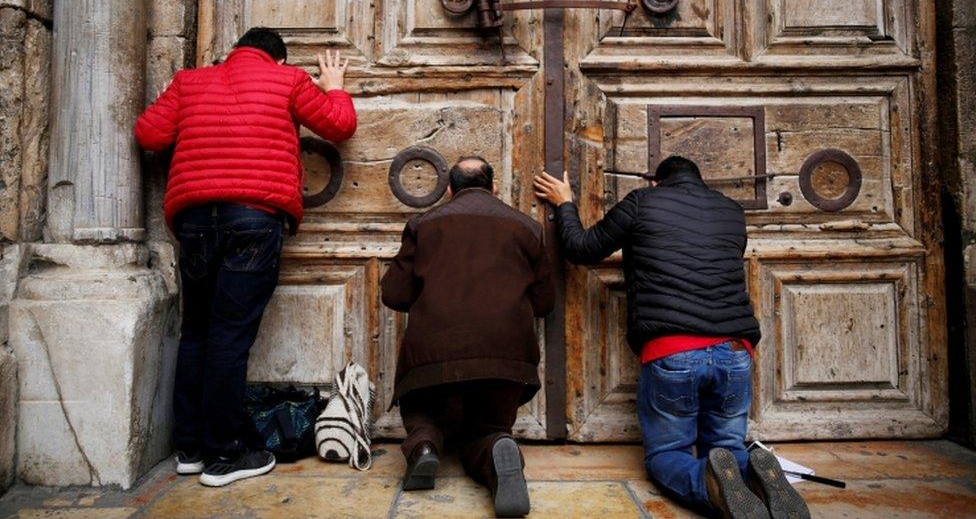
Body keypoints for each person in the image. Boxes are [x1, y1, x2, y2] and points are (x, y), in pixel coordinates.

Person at [134, 27, 357, 487]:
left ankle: (190, 450)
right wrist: (333, 87)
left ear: (232, 52)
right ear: (276, 60)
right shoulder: (288, 81)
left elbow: (149, 134)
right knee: (230, 337)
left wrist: (171, 98)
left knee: (195, 331)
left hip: (194, 221)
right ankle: (224, 456)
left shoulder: (189, 81)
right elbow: (339, 126)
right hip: (254, 220)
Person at [534, 157, 810, 519]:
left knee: (668, 456)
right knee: (728, 446)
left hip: (673, 351)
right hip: (735, 351)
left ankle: (712, 487)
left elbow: (583, 249)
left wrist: (565, 203)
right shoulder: (731, 211)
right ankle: (756, 475)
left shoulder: (641, 202)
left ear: (655, 184)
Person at [381, 157, 554, 518]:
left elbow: (394, 295)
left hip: (433, 355)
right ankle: (496, 447)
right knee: (487, 427)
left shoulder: (423, 224)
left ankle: (424, 446)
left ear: (449, 189)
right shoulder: (529, 228)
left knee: (423, 409)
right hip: (506, 358)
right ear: (494, 188)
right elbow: (544, 303)